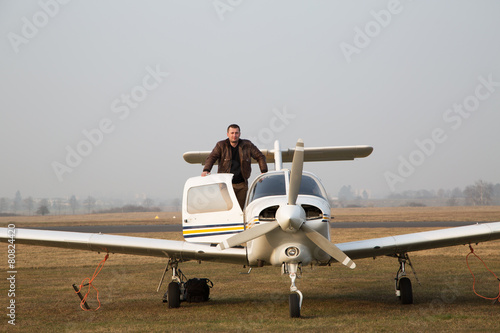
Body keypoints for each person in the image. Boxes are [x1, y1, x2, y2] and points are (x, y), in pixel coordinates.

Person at [202, 124, 268, 209]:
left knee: (240, 210)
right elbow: (212, 157)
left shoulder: (247, 145)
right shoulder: (220, 145)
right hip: (225, 185)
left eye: (236, 133)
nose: (234, 135)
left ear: (239, 134)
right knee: (230, 207)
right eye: (232, 133)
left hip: (242, 184)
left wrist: (263, 171)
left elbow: (260, 156)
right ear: (227, 134)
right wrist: (206, 170)